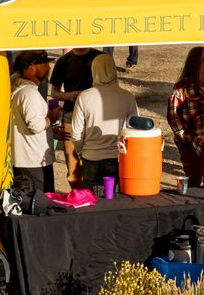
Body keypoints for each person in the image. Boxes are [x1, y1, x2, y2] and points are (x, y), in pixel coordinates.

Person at [67, 51, 139, 189]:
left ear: (94, 70)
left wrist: (83, 152)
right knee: (116, 201)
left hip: (91, 158)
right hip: (117, 158)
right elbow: (135, 131)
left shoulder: (84, 97)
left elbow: (75, 133)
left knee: (93, 203)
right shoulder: (127, 97)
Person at [166, 46, 204, 186]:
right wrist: (187, 140)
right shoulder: (182, 88)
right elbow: (173, 117)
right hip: (196, 147)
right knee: (194, 186)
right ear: (200, 63)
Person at [10, 50, 56, 206]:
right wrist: (52, 118)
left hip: (28, 158)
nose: (48, 68)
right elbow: (36, 126)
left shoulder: (21, 88)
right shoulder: (30, 94)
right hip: (33, 161)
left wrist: (52, 131)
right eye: (44, 65)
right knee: (40, 206)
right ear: (30, 68)